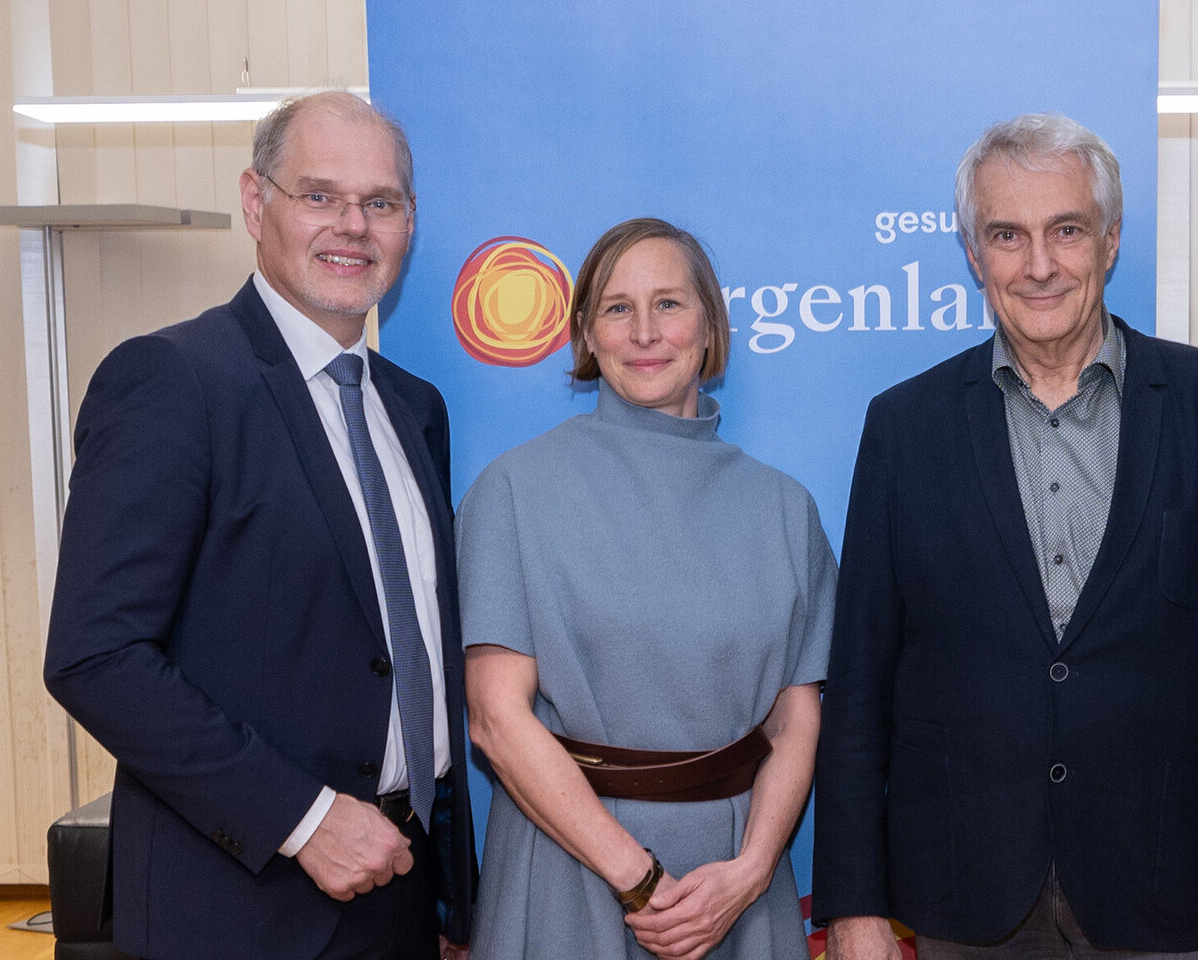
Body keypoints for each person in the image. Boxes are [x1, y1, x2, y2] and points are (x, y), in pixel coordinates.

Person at [814, 113, 1198, 960]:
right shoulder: (905, 427)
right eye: (1007, 235)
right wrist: (853, 904)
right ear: (973, 253)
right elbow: (860, 687)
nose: (1038, 265)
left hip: (1172, 898)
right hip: (964, 897)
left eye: (1066, 231)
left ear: (1110, 241)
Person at [42, 91, 474, 959]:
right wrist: (305, 821)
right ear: (255, 202)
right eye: (319, 195)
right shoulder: (172, 381)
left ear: (409, 222)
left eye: (380, 202)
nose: (353, 226)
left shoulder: (414, 408)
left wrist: (449, 892)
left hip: (399, 889)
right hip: (240, 905)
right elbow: (97, 655)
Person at [459, 217, 834, 960]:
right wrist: (639, 881)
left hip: (736, 883)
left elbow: (796, 721)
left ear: (709, 327)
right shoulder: (513, 491)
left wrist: (753, 871)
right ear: (587, 337)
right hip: (569, 869)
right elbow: (495, 720)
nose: (644, 332)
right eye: (616, 308)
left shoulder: (785, 509)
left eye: (668, 303)